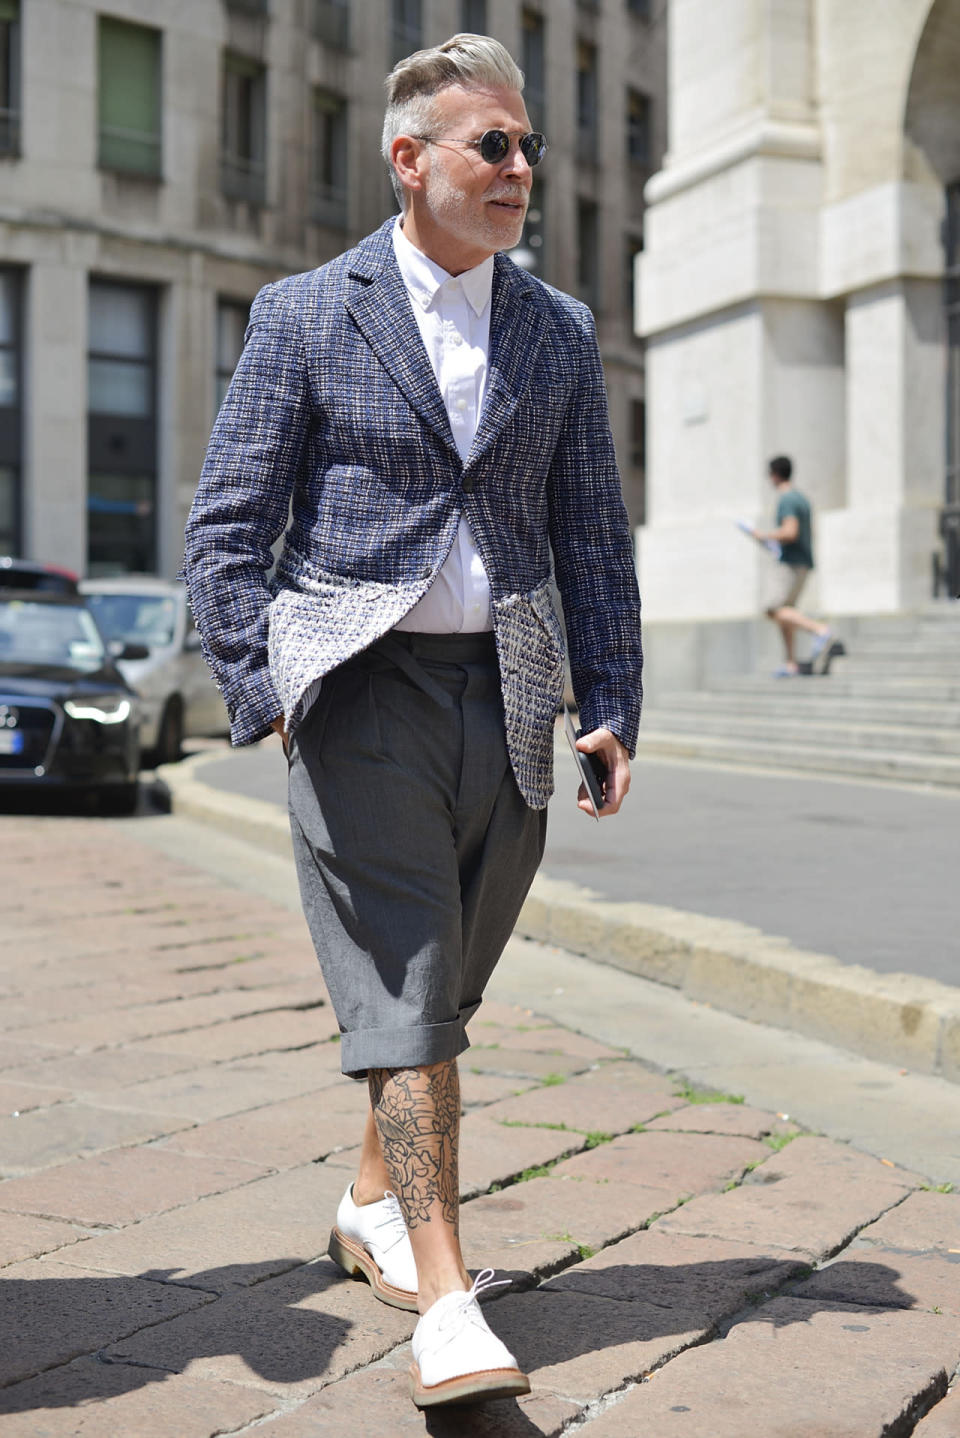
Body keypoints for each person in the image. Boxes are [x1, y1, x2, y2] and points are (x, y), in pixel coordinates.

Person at [181, 33, 642, 1410]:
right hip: (360, 688)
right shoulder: (307, 314)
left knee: (446, 988)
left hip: (508, 693)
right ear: (412, 159)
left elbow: (593, 535)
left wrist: (609, 698)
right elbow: (227, 527)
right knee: (408, 985)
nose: (519, 170)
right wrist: (266, 693)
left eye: (526, 148)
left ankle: (369, 1199)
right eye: (490, 145)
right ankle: (447, 1297)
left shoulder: (557, 328)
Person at [752, 455, 835, 677]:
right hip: (802, 562)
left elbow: (790, 532)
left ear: (775, 475)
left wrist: (764, 536)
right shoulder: (802, 499)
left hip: (790, 562)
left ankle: (820, 631)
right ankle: (790, 663)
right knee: (785, 612)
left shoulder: (787, 499)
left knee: (773, 609)